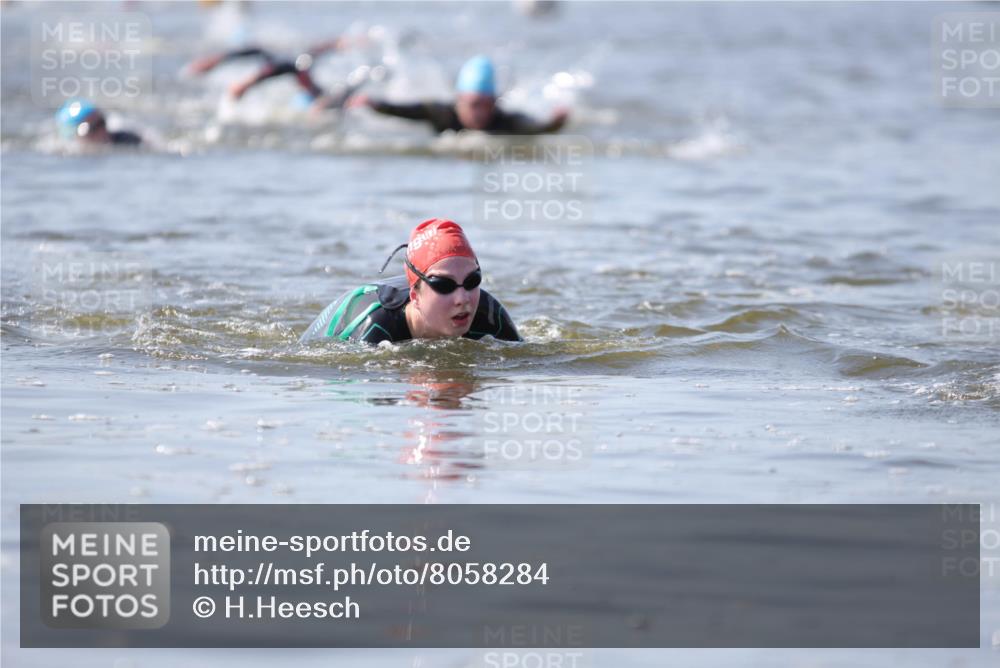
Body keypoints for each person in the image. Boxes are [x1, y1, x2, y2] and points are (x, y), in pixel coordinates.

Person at [300, 218, 521, 345]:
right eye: (444, 285)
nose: (463, 298)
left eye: (472, 281)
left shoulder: (489, 315)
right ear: (414, 295)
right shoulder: (375, 327)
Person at [346, 55, 568, 135]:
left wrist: (555, 123)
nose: (479, 112)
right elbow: (403, 110)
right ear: (459, 100)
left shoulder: (504, 121)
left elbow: (536, 129)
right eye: (473, 104)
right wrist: (374, 104)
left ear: (494, 103)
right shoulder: (442, 113)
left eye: (485, 104)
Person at [55, 100, 142, 146]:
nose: (102, 131)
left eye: (101, 122)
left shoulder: (127, 139)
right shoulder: (66, 149)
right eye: (93, 127)